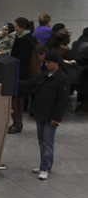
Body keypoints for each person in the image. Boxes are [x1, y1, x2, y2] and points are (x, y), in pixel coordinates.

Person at [21, 52, 69, 180]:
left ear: (55, 63)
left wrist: (56, 117)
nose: (46, 64)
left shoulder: (62, 79)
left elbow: (62, 100)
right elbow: (30, 84)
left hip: (50, 116)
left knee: (47, 142)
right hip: (40, 114)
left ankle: (45, 168)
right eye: (45, 62)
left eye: (48, 62)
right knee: (42, 141)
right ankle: (46, 164)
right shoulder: (43, 76)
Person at [8, 17, 37, 133]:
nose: (15, 29)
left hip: (22, 74)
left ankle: (17, 123)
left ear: (21, 27)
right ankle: (16, 122)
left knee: (17, 100)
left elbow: (23, 58)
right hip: (18, 73)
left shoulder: (27, 40)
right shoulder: (21, 37)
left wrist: (11, 59)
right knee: (16, 99)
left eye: (16, 27)